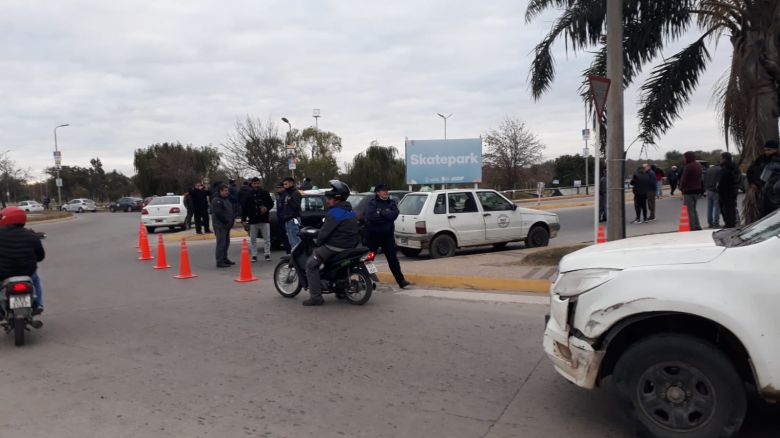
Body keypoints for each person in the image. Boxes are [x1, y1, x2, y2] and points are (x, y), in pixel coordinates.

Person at [303, 180, 360, 306]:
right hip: (350, 246)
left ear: (337, 199)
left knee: (311, 264)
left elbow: (324, 233)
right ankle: (340, 291)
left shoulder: (334, 212)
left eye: (329, 198)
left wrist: (318, 243)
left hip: (335, 246)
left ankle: (316, 297)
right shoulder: (351, 211)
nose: (328, 201)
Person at [364, 183, 411, 289]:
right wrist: (386, 215)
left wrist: (381, 213)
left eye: (387, 190)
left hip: (387, 238)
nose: (386, 192)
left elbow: (394, 215)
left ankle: (401, 281)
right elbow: (371, 217)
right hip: (373, 238)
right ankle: (366, 281)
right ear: (377, 192)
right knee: (369, 260)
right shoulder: (372, 203)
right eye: (383, 190)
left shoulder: (391, 203)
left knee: (393, 260)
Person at [0, 208, 45, 314]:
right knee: (36, 280)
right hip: (27, 272)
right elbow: (40, 256)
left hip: (3, 273)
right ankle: (38, 304)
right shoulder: (32, 236)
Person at [241, 177, 275, 262]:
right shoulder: (248, 194)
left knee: (267, 238)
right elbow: (244, 208)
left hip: (264, 219)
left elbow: (271, 203)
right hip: (253, 220)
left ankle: (267, 254)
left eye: (257, 183)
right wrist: (243, 220)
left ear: (260, 183)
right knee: (253, 239)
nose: (256, 185)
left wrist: (266, 208)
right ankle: (254, 255)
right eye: (254, 183)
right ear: (251, 184)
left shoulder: (265, 193)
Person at [679, 151, 704, 231]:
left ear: (688, 157)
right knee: (693, 209)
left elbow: (684, 179)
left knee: (689, 210)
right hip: (697, 190)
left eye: (685, 157)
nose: (684, 159)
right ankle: (697, 225)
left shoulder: (688, 166)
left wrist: (681, 187)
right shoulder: (698, 165)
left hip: (688, 191)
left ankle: (692, 227)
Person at [211, 184, 234, 268]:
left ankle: (225, 258)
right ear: (220, 191)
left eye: (227, 190)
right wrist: (225, 222)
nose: (226, 192)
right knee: (221, 243)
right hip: (220, 226)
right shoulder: (217, 200)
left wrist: (231, 221)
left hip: (227, 226)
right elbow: (218, 213)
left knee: (226, 243)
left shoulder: (226, 200)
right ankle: (219, 261)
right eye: (224, 190)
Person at [277, 177, 303, 250]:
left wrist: (290, 200)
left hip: (293, 219)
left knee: (295, 240)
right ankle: (294, 255)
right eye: (283, 184)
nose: (284, 186)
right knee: (291, 241)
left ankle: (298, 256)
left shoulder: (295, 193)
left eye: (286, 184)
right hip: (287, 219)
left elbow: (296, 206)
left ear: (291, 183)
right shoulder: (286, 193)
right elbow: (283, 206)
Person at [718, 152, 741, 228]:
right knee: (731, 209)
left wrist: (719, 190)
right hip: (733, 191)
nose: (720, 160)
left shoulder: (726, 168)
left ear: (724, 159)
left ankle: (729, 225)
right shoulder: (735, 167)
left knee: (727, 210)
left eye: (721, 158)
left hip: (726, 193)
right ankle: (732, 223)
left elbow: (722, 182)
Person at [704, 160, 722, 228]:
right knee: (716, 207)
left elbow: (704, 179)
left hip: (709, 190)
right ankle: (716, 223)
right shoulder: (720, 169)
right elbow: (719, 181)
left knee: (709, 207)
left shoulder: (709, 169)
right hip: (715, 191)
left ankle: (710, 223)